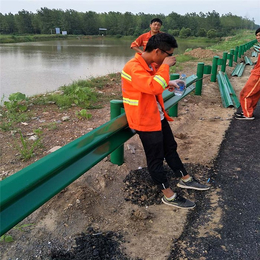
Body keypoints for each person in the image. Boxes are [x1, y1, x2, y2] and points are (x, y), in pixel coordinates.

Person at [121, 33, 209, 209]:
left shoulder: (147, 65)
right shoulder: (133, 67)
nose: (171, 59)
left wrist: (169, 82)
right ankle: (168, 195)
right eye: (168, 55)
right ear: (157, 51)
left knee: (170, 147)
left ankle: (185, 178)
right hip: (145, 121)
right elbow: (151, 86)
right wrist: (166, 68)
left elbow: (151, 84)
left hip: (156, 116)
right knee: (156, 159)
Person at [235, 27, 260, 120]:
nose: (258, 37)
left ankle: (247, 114)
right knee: (254, 94)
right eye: (257, 35)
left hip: (258, 75)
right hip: (257, 72)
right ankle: (248, 111)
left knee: (245, 93)